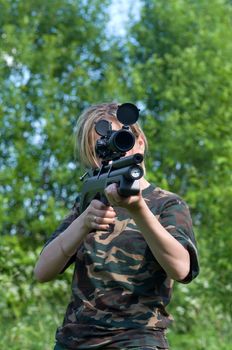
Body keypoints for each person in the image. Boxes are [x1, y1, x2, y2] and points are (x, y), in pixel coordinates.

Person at [34, 102, 199, 350]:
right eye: (100, 149)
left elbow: (182, 268)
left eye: (121, 141)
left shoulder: (167, 204)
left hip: (137, 339)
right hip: (75, 340)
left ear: (139, 141)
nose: (113, 153)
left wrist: (138, 209)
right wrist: (83, 224)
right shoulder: (87, 205)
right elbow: (42, 271)